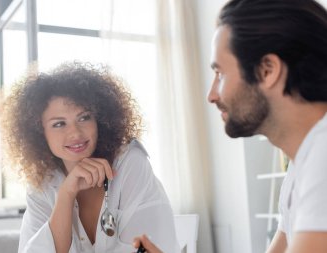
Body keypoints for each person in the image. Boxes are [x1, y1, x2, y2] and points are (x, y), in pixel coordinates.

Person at [134, 0, 327, 252]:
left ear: (267, 71)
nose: (212, 95)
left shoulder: (322, 156)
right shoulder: (302, 165)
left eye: (220, 74)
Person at [0, 61, 179, 253]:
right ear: (39, 133)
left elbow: (143, 248)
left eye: (84, 117)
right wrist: (66, 194)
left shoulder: (129, 163)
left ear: (99, 119)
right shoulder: (42, 184)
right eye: (59, 124)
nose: (75, 133)